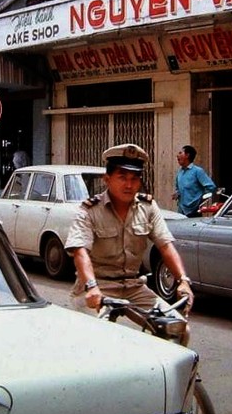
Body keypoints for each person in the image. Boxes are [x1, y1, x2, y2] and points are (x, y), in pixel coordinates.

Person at [65, 143, 194, 344]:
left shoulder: (148, 207)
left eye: (134, 179)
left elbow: (165, 245)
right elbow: (80, 252)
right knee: (93, 338)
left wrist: (183, 280)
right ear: (107, 180)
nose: (129, 185)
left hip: (133, 286)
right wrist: (91, 287)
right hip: (98, 286)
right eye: (122, 177)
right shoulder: (89, 210)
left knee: (178, 329)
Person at [173, 145, 216, 218]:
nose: (177, 156)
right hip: (181, 212)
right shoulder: (180, 172)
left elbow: (211, 187)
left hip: (194, 212)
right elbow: (178, 188)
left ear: (187, 155)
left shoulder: (197, 171)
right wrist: (177, 193)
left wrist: (199, 199)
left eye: (180, 153)